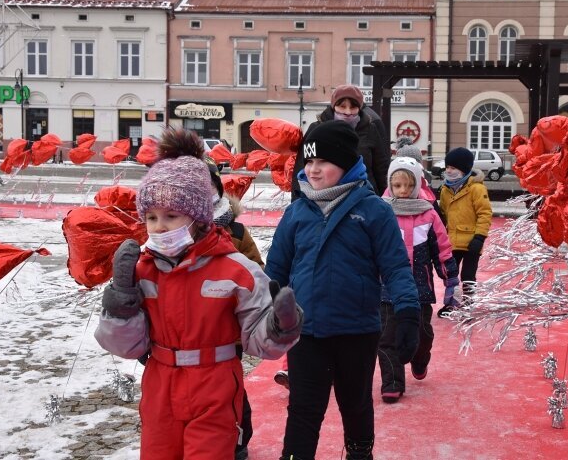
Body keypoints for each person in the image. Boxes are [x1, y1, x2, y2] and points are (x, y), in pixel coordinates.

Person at [94, 127, 303, 459]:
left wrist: (281, 324)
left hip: (215, 387)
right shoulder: (142, 270)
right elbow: (124, 345)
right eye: (151, 217)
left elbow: (258, 341)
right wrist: (121, 298)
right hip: (160, 386)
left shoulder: (236, 270)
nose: (159, 226)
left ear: (198, 217)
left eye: (171, 216)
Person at [265, 121, 420, 460]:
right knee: (304, 410)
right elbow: (274, 271)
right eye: (308, 162)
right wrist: (265, 311)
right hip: (305, 333)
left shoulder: (374, 210)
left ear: (346, 163)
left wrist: (408, 311)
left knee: (356, 405)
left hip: (357, 330)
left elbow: (395, 266)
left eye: (323, 161)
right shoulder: (296, 212)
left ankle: (360, 454)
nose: (313, 169)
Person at [378, 157, 460, 403]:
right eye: (397, 185)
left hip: (419, 287)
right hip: (386, 288)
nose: (402, 191)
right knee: (386, 337)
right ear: (390, 186)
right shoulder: (381, 212)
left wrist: (450, 279)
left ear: (416, 186)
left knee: (423, 332)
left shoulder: (428, 214)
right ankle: (392, 381)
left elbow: (442, 248)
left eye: (407, 185)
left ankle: (420, 357)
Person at [207, 158, 264, 460]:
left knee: (230, 388)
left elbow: (257, 273)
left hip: (228, 333)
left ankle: (239, 439)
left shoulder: (237, 232)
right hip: (188, 333)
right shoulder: (172, 230)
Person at [291, 84, 390, 199]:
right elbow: (300, 168)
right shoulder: (316, 129)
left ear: (359, 108)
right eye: (342, 106)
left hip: (364, 197)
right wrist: (297, 202)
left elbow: (382, 170)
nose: (348, 112)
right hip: (323, 199)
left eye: (353, 107)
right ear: (333, 107)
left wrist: (386, 200)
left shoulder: (370, 129)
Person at [437, 147, 493, 317]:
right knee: (451, 275)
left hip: (471, 243)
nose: (449, 171)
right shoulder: (446, 189)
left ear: (464, 169)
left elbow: (485, 214)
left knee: (468, 275)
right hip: (451, 241)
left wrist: (479, 237)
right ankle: (450, 304)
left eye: (453, 168)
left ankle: (468, 304)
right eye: (447, 167)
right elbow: (444, 214)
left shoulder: (476, 189)